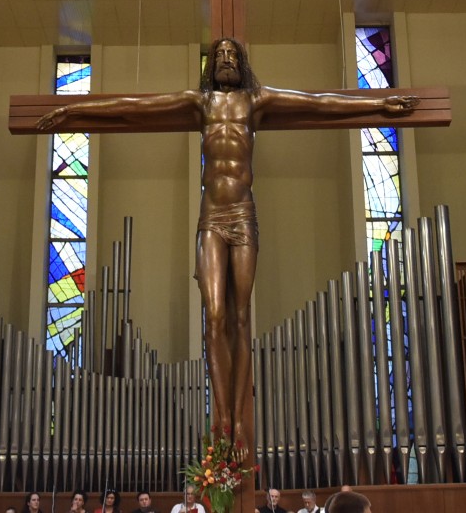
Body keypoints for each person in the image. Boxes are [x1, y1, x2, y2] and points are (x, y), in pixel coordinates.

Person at [37, 37, 418, 456]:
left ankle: (237, 419)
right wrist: (73, 109)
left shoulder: (256, 100)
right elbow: (135, 106)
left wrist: (378, 105)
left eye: (231, 55)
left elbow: (320, 102)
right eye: (218, 55)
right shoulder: (200, 103)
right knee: (214, 316)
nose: (225, 60)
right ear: (210, 65)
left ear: (242, 63)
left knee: (240, 316)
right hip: (211, 218)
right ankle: (219, 414)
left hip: (243, 216)